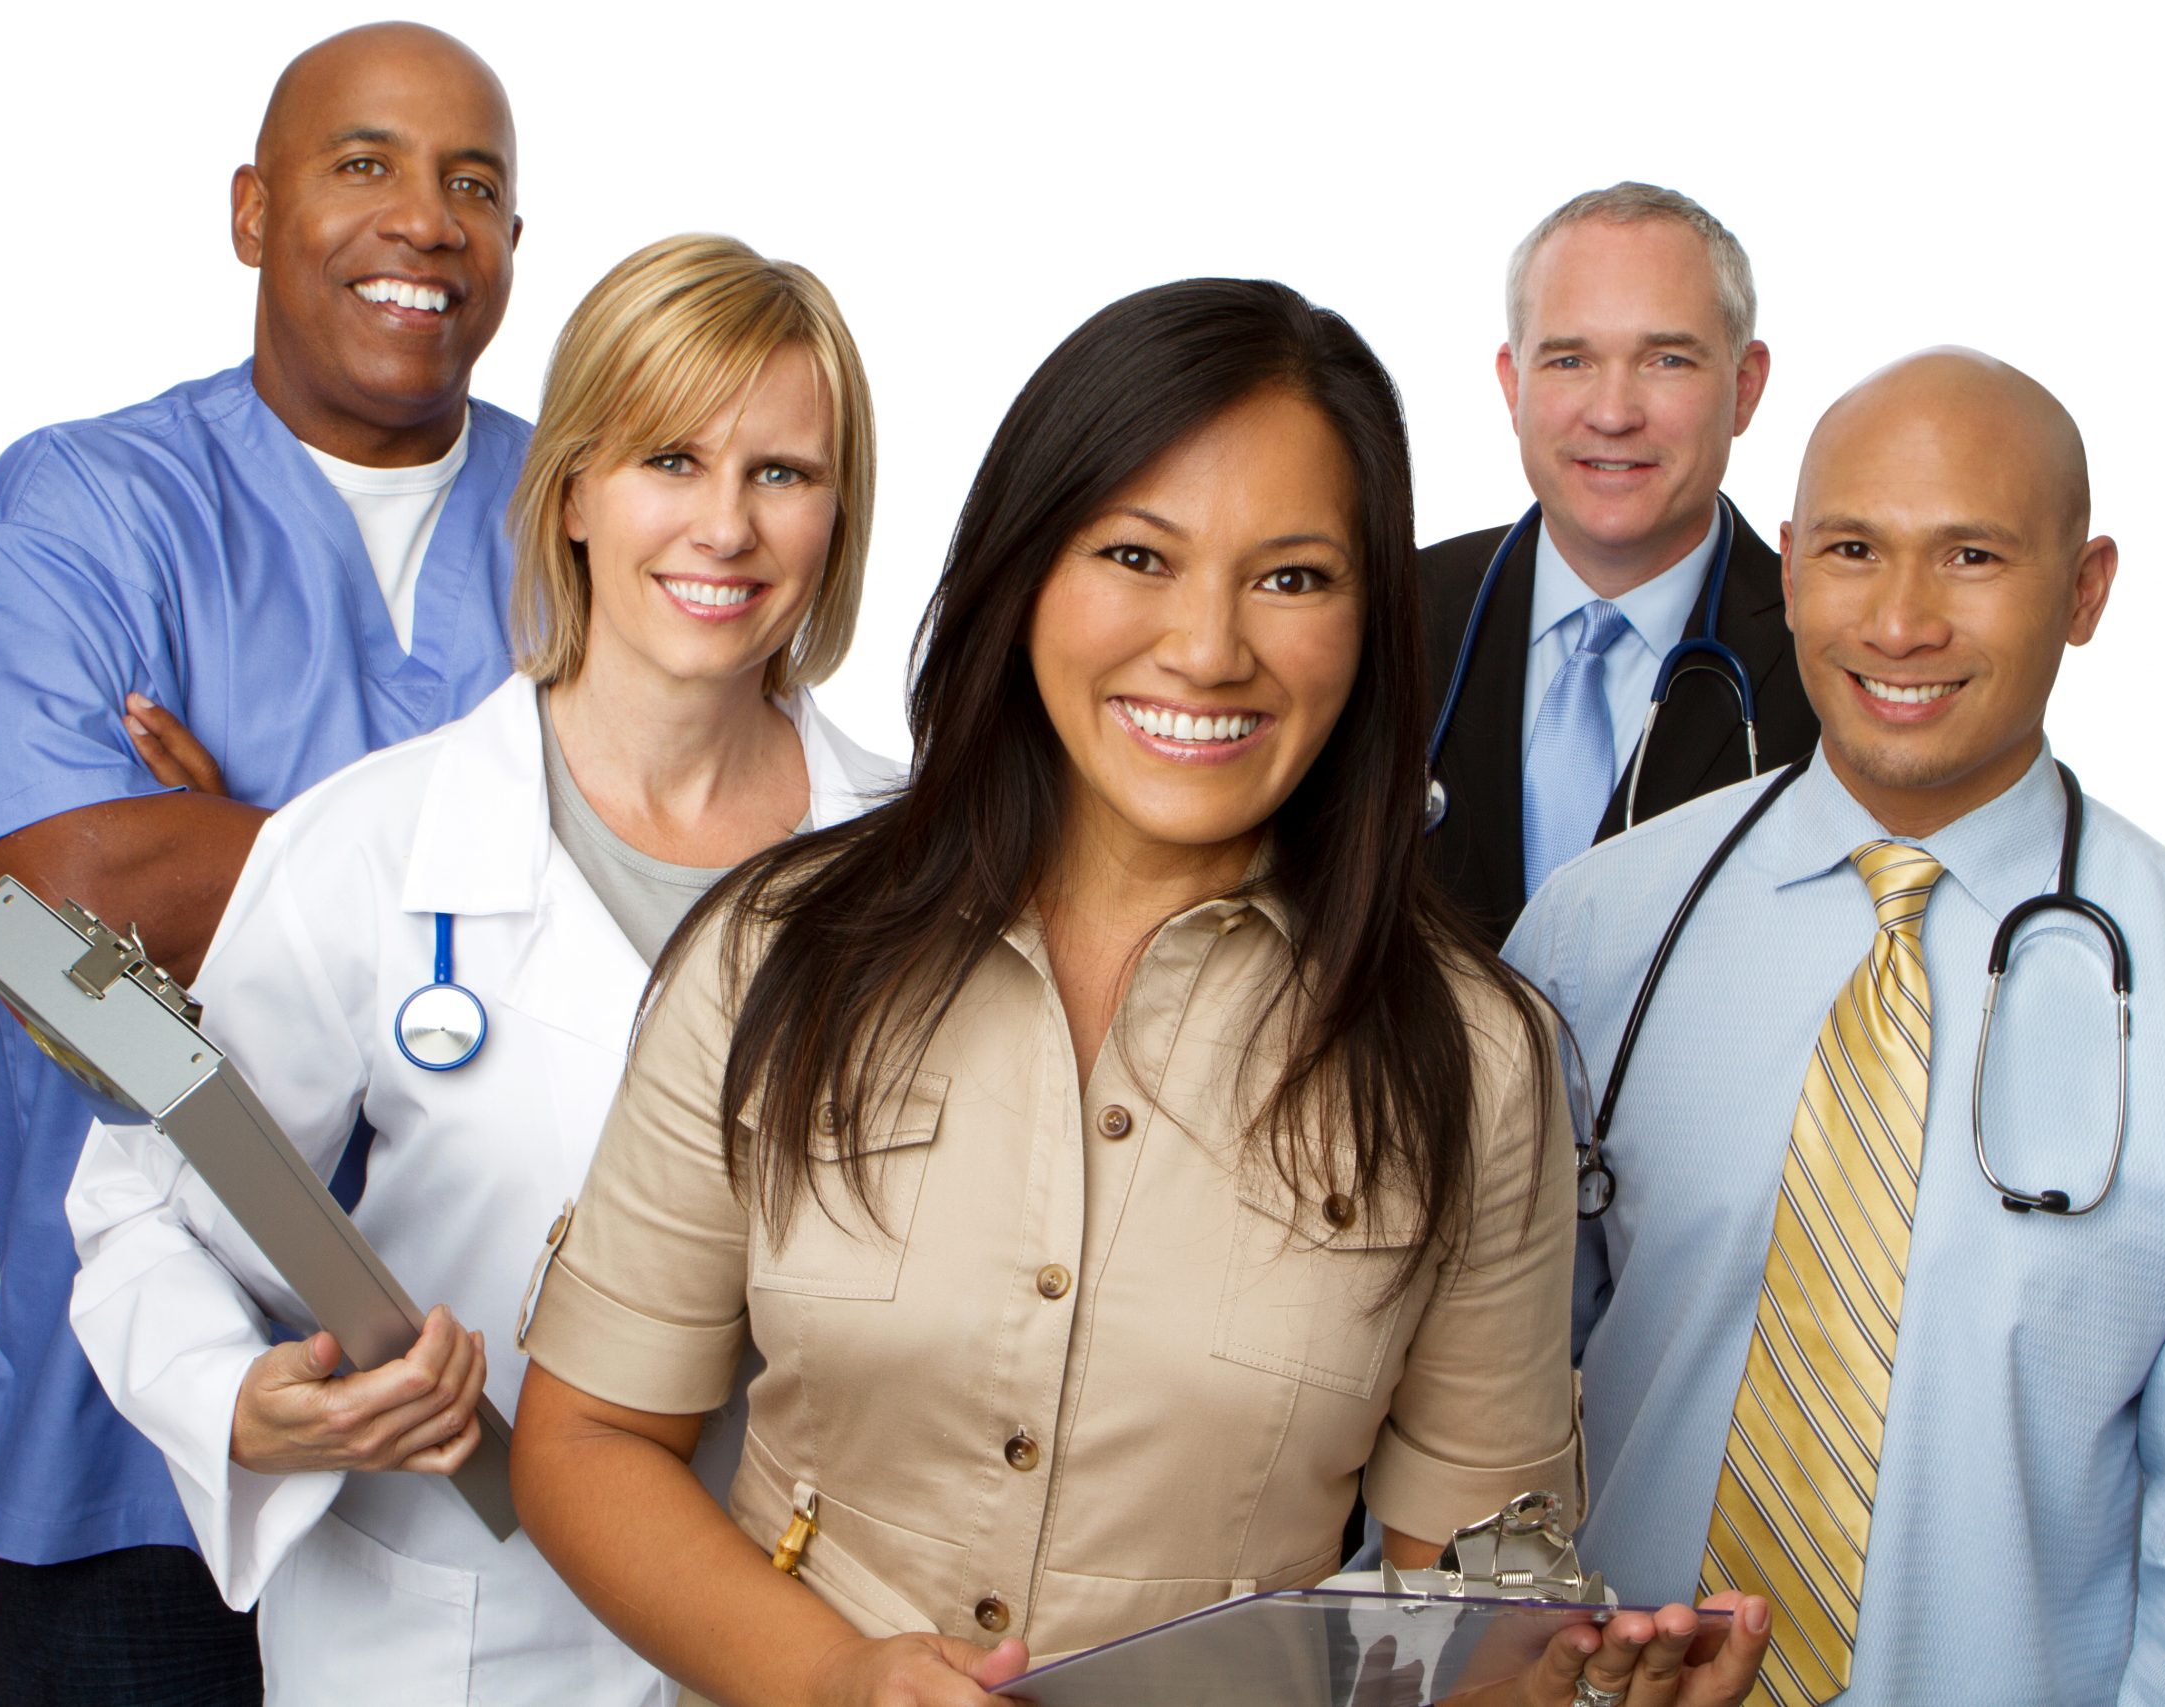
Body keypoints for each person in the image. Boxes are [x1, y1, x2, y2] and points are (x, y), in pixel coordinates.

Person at [508, 278, 1770, 1707]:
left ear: (1371, 619)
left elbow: (1467, 1598)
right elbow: (590, 1434)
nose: (1209, 648)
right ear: (1024, 565)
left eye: (1293, 576)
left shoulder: (1470, 1060)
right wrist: (836, 1677)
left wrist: (1576, 1688)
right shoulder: (778, 953)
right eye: (1138, 555)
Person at [62, 234, 899, 1707]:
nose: (725, 526)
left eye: (783, 473)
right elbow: (143, 1195)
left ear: (841, 512)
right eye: (668, 459)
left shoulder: (922, 864)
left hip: (819, 1625)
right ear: (570, 487)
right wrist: (241, 1401)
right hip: (454, 1629)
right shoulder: (378, 843)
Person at [1507, 349, 2165, 1704]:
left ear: (2086, 589)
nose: (1901, 621)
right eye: (1856, 548)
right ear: (1790, 567)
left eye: (1972, 555)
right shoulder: (1594, 936)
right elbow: (1474, 1397)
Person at [0, 22, 527, 1701]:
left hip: (520, 1446)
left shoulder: (603, 515)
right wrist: (498, 867)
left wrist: (240, 822)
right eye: (364, 163)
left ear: (516, 244)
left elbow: (707, 909)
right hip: (134, 1469)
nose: (427, 220)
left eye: (476, 183)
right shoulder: (86, 507)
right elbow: (59, 923)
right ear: (253, 208)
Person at [1421, 183, 1817, 943]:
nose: (1612, 412)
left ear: (1746, 386)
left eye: (1666, 360)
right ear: (1513, 385)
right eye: (1570, 360)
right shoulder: (1385, 614)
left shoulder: (1827, 657)